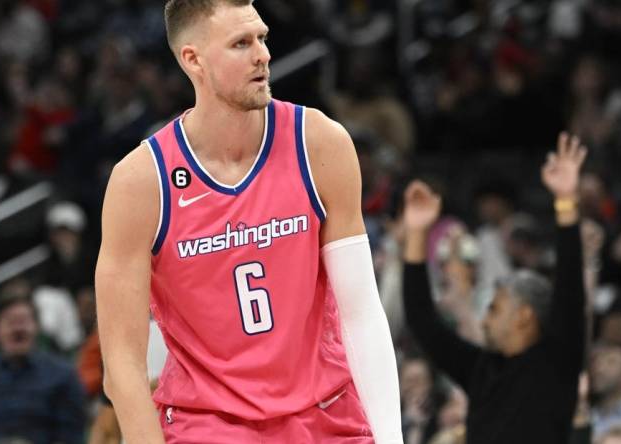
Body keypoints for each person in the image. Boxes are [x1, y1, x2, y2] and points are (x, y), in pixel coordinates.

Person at [94, 1, 402, 443]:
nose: (263, 55)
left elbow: (361, 314)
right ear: (193, 59)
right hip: (208, 425)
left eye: (262, 38)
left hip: (324, 416)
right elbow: (121, 365)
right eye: (241, 44)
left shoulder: (320, 144)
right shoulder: (141, 182)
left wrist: (391, 438)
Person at [401, 132, 588, 443]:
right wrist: (417, 234)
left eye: (495, 308)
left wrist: (566, 202)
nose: (485, 318)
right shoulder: (480, 369)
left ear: (525, 315)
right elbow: (422, 320)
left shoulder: (557, 360)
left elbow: (570, 290)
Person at [0, 293, 86, 444]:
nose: (18, 329)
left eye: (24, 321)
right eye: (10, 322)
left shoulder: (63, 376)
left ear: (37, 327)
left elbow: (71, 436)